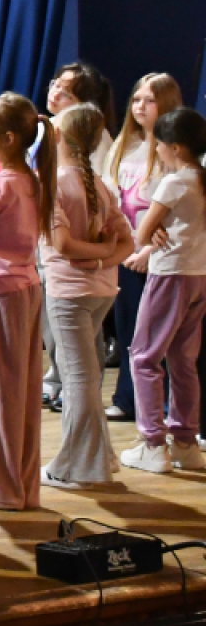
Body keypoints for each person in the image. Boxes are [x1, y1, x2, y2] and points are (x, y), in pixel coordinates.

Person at [0, 94, 54, 512]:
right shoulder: (33, 180)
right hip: (27, 288)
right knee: (22, 388)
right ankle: (21, 483)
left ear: (7, 138)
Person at [41, 102, 133, 489]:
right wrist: (101, 260)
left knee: (78, 378)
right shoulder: (97, 182)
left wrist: (92, 259)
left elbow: (63, 244)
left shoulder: (56, 183)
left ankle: (77, 466)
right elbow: (125, 243)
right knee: (86, 375)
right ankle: (98, 456)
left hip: (70, 292)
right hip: (100, 289)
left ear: (59, 136)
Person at [121, 107, 206, 475]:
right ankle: (185, 442)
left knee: (144, 357)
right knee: (183, 361)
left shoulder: (175, 182)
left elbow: (142, 232)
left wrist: (151, 230)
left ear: (175, 147)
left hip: (171, 275)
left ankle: (153, 444)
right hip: (198, 274)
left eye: (159, 145)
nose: (156, 150)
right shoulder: (201, 178)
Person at [106, 73, 183, 423]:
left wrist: (149, 250)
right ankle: (128, 398)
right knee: (128, 331)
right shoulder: (125, 145)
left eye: (149, 100)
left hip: (159, 258)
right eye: (136, 99)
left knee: (157, 336)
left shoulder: (174, 151)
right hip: (126, 253)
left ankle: (163, 406)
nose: (140, 106)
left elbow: (181, 212)